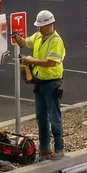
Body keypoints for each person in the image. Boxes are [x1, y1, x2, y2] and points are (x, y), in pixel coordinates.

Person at [11, 9, 66, 160]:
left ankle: (59, 148)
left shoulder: (56, 41)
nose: (39, 29)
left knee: (54, 117)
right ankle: (44, 148)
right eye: (39, 27)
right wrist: (18, 38)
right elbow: (24, 43)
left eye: (42, 27)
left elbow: (51, 62)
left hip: (52, 83)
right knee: (41, 117)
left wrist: (32, 60)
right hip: (40, 82)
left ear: (50, 25)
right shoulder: (38, 36)